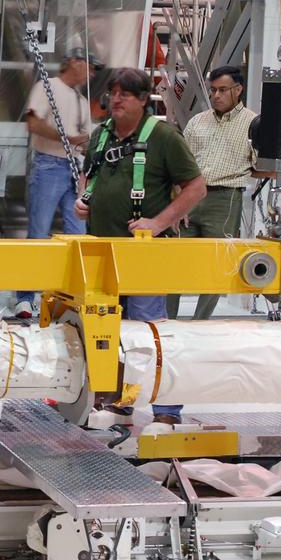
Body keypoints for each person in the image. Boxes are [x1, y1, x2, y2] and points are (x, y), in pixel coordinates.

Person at [74, 67, 206, 425]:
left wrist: (158, 223)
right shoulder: (102, 136)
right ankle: (123, 401)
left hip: (145, 255)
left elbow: (196, 187)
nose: (115, 99)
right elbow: (90, 175)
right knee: (111, 333)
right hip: (104, 253)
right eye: (112, 92)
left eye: (125, 94)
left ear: (143, 99)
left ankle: (166, 409)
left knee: (148, 332)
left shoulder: (163, 138)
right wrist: (83, 199)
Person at [167, 65, 267, 320]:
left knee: (216, 263)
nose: (216, 96)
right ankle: (166, 320)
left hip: (225, 198)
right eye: (213, 90)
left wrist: (240, 172)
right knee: (174, 262)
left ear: (238, 90)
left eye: (223, 90)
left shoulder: (253, 124)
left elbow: (264, 168)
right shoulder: (197, 122)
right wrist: (177, 201)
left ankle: (200, 322)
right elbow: (179, 164)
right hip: (189, 197)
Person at [16, 47, 101, 316]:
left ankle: (67, 295)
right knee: (39, 232)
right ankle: (25, 296)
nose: (92, 72)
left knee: (77, 232)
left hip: (74, 166)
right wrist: (70, 138)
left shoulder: (81, 100)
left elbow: (85, 138)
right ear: (74, 62)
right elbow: (33, 124)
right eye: (89, 65)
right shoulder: (48, 86)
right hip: (49, 163)